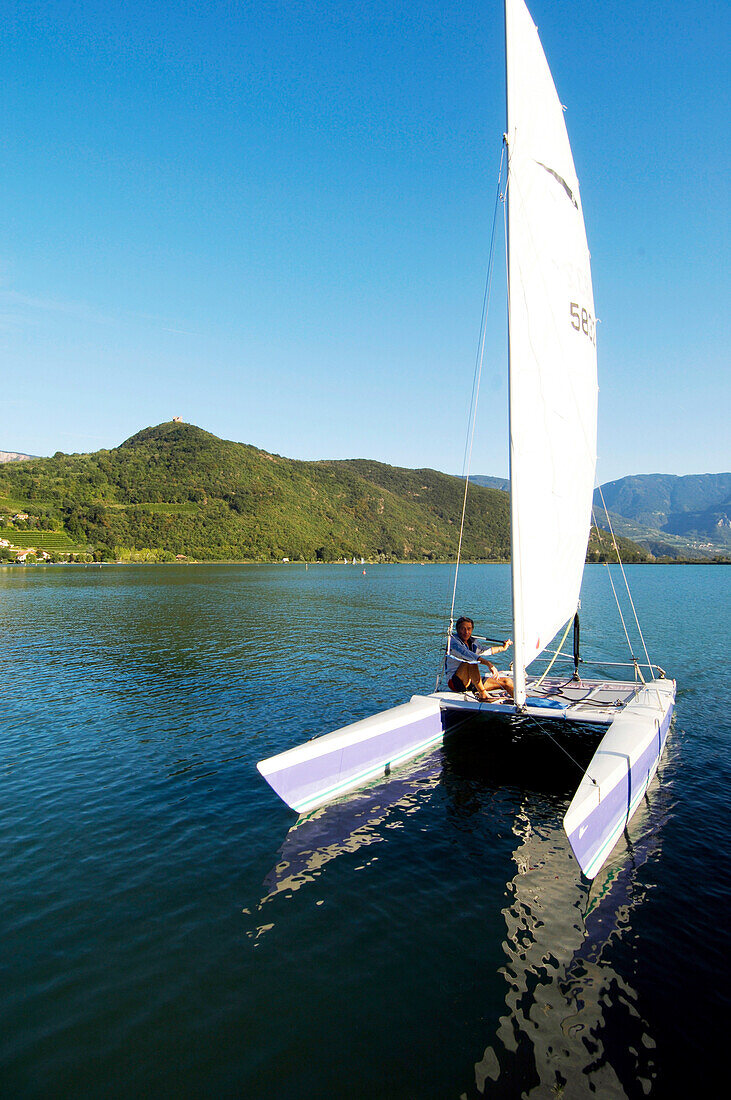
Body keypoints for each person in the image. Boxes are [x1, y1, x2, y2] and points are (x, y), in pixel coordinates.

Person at [446, 616, 514, 700]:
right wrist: (489, 664)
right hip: (456, 682)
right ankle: (483, 694)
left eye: (469, 629)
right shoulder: (453, 641)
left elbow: (484, 650)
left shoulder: (473, 641)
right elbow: (467, 654)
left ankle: (522, 704)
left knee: (507, 682)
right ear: (457, 629)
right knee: (471, 661)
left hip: (472, 681)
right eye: (462, 629)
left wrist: (503, 648)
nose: (466, 632)